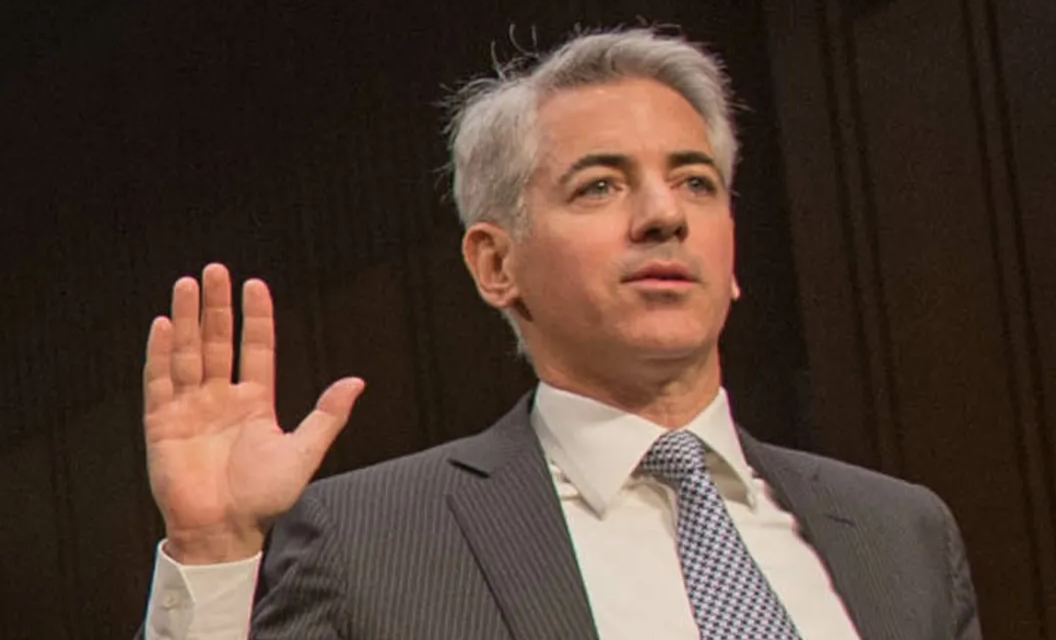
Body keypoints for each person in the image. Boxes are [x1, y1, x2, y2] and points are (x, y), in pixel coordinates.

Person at [137, 28, 981, 640]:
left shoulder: (901, 532)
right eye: (600, 187)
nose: (664, 216)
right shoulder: (373, 541)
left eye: (696, 182)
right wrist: (212, 551)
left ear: (731, 253)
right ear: (495, 264)